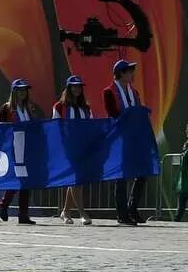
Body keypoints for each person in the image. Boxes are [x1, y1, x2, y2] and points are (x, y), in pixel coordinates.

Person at [102, 59, 148, 224]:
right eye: (129, 71)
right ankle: (122, 213)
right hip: (119, 138)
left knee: (141, 172)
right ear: (121, 73)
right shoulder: (109, 91)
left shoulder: (134, 92)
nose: (132, 74)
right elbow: (112, 113)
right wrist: (129, 116)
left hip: (134, 137)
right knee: (121, 176)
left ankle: (132, 208)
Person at [0, 81, 38, 224]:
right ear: (14, 92)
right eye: (19, 90)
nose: (23, 93)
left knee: (26, 181)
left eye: (25, 90)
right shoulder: (7, 108)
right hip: (13, 148)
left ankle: (23, 214)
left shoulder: (28, 108)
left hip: (27, 148)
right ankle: (4, 204)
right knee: (16, 179)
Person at [54, 75, 94, 225]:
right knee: (76, 180)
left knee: (77, 180)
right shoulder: (59, 107)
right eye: (74, 86)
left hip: (83, 147)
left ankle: (65, 211)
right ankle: (82, 212)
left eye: (79, 86)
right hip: (67, 149)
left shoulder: (86, 108)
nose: (77, 89)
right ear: (68, 88)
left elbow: (91, 127)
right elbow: (55, 128)